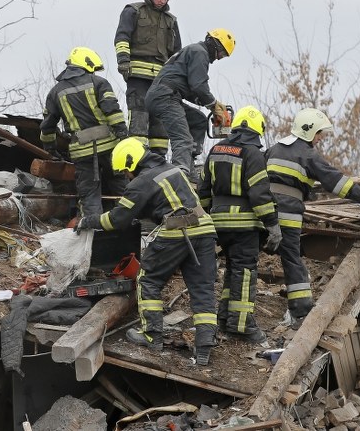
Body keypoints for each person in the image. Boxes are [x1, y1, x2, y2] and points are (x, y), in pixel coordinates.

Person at [75, 138, 218, 365]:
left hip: (177, 233)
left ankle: (152, 335)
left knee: (148, 279)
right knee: (202, 288)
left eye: (125, 171)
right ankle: (205, 345)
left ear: (131, 163)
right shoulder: (172, 169)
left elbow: (117, 220)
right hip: (206, 229)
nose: (126, 176)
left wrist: (88, 221)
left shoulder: (141, 182)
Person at [266, 108, 360, 325]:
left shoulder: (274, 149)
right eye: (319, 133)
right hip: (288, 216)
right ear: (309, 130)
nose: (320, 138)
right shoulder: (307, 154)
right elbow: (337, 182)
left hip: (263, 213)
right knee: (292, 260)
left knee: (247, 258)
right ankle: (302, 312)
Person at [198, 106, 281, 343]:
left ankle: (225, 317)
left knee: (232, 269)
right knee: (245, 272)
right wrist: (272, 224)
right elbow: (259, 194)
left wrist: (207, 215)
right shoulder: (252, 154)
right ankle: (242, 324)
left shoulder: (215, 150)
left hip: (218, 223)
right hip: (244, 224)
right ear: (257, 129)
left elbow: (203, 192)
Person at [39, 47, 129, 217]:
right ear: (87, 63)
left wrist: (50, 149)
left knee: (89, 195)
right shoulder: (99, 83)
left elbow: (47, 127)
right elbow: (113, 112)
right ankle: (127, 227)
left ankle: (94, 234)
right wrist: (124, 136)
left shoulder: (55, 92)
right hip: (110, 148)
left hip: (82, 153)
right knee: (120, 189)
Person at [144, 29, 235, 178]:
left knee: (198, 121)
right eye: (222, 53)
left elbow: (193, 90)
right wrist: (213, 104)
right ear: (216, 44)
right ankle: (180, 176)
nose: (219, 58)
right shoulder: (200, 53)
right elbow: (198, 86)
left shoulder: (194, 51)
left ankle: (189, 163)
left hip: (166, 95)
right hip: (165, 96)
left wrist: (213, 103)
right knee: (183, 138)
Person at [114, 0, 181, 154]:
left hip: (161, 80)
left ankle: (158, 159)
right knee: (139, 115)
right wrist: (123, 61)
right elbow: (122, 37)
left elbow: (176, 53)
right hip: (138, 76)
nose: (163, 1)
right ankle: (137, 155)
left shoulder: (171, 21)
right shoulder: (133, 11)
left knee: (160, 121)